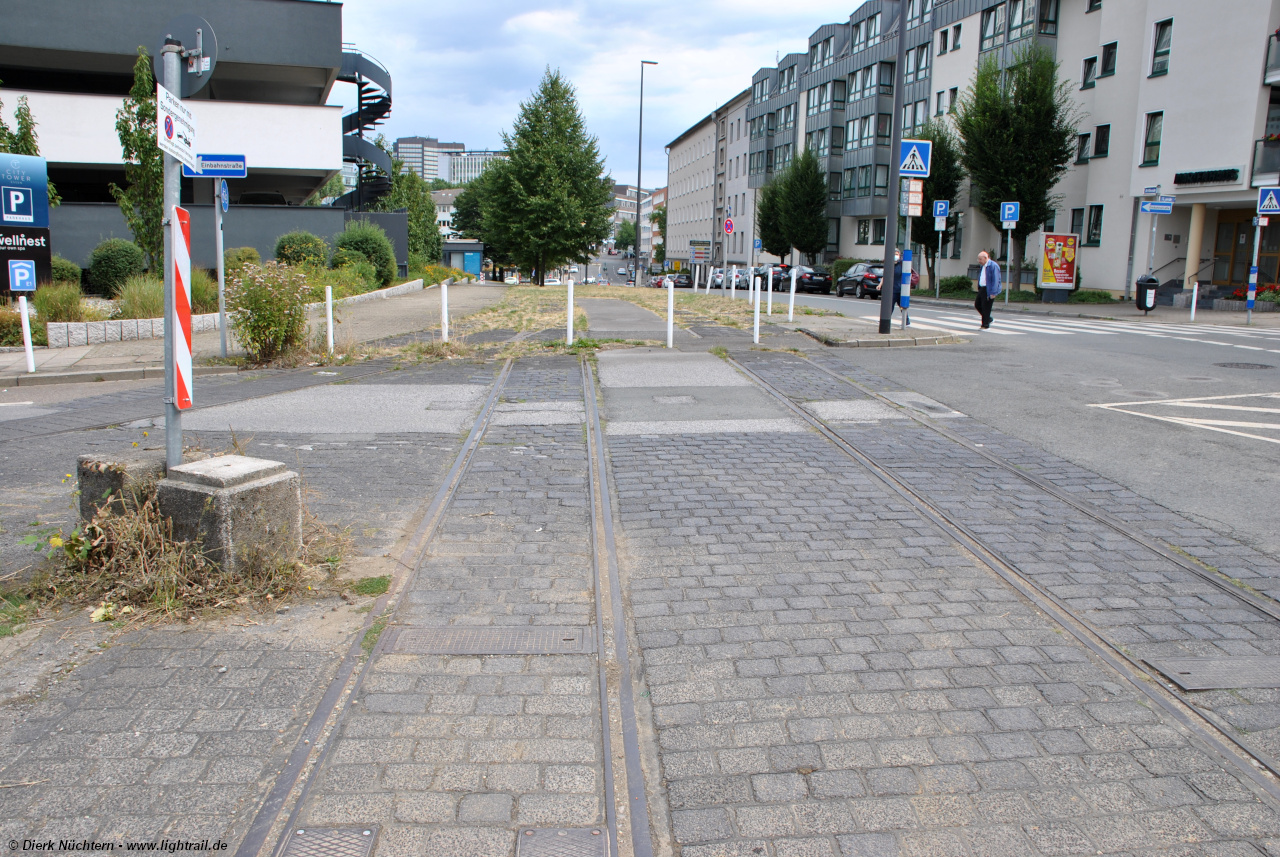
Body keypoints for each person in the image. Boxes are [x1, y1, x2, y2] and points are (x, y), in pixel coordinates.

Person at [975, 250, 1002, 329]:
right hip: (982, 288)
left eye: (980, 259)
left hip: (989, 289)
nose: (979, 261)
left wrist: (993, 292)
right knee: (977, 305)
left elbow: (996, 280)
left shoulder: (993, 265)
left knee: (986, 307)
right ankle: (988, 319)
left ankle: (985, 325)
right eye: (978, 259)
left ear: (985, 258)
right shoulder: (983, 266)